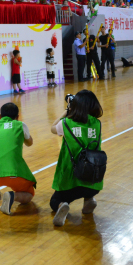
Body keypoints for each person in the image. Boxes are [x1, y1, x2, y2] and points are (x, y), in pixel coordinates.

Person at [49, 90, 104, 226]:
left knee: (54, 201)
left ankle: (62, 205)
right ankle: (89, 199)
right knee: (87, 187)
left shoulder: (67, 123)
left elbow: (53, 128)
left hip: (71, 180)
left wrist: (67, 110)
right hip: (93, 179)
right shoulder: (97, 124)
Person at [0, 102, 36, 215]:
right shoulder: (20, 125)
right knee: (29, 195)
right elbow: (30, 143)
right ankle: (12, 196)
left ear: (0, 116)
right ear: (17, 117)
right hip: (12, 174)